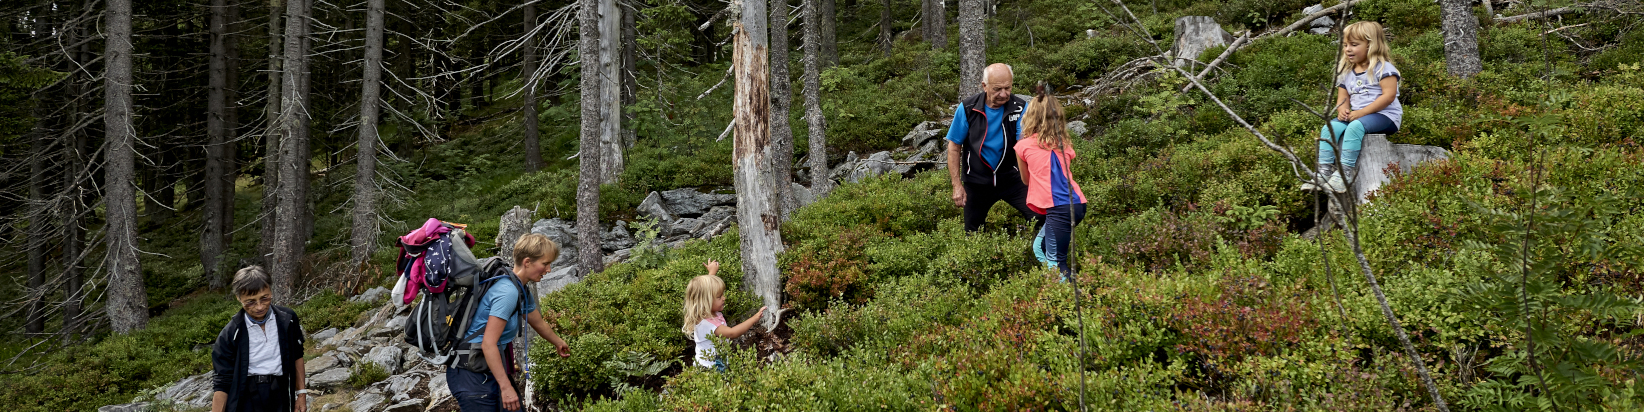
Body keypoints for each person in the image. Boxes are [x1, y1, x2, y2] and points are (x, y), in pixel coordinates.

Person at [446, 233, 572, 412]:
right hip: (471, 372)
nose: (549, 269)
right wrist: (506, 388)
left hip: (488, 366)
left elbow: (538, 322)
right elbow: (488, 344)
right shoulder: (507, 292)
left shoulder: (520, 287)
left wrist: (558, 342)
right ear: (527, 262)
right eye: (545, 264)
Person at [1303, 21, 1404, 193]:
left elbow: (1388, 97)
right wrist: (1343, 110)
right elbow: (1343, 98)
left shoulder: (1384, 69)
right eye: (1345, 45)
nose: (1348, 49)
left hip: (1386, 116)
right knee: (1330, 127)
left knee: (1356, 127)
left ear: (1371, 45)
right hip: (1358, 115)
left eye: (1354, 45)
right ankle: (1324, 171)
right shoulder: (1347, 71)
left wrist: (1361, 113)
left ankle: (1345, 174)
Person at [945, 63, 1041, 233]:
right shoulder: (968, 109)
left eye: (1007, 88)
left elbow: (1024, 144)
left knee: (1041, 216)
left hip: (1012, 178)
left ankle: (1039, 255)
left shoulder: (1020, 108)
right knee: (973, 232)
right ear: (984, 86)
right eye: (997, 89)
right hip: (976, 182)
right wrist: (957, 185)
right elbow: (954, 147)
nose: (1003, 94)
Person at [1013, 86, 1087, 279]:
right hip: (1077, 204)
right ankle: (1068, 287)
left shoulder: (1022, 147)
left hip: (1059, 208)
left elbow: (1025, 179)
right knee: (1040, 248)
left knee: (1054, 261)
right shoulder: (1064, 143)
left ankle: (1069, 296)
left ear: (1029, 117)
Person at [211, 266, 309, 412]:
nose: (259, 307)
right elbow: (222, 381)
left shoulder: (287, 320)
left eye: (265, 298)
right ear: (239, 298)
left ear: (270, 290)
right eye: (250, 302)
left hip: (281, 392)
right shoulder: (230, 334)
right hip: (248, 396)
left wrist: (301, 394)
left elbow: (297, 356)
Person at [681, 260, 767, 371]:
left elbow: (704, 291)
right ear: (706, 301)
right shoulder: (708, 324)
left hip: (714, 361)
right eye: (719, 296)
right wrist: (754, 318)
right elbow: (732, 333)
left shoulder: (703, 312)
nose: (724, 298)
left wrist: (712, 273)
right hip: (710, 368)